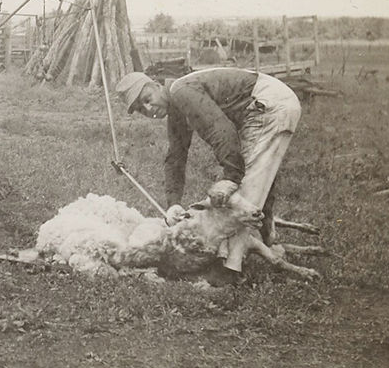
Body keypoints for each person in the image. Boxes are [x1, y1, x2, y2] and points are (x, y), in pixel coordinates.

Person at [115, 67, 302, 285]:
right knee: (259, 178)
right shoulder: (177, 102)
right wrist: (173, 203)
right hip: (272, 102)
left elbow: (221, 131)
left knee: (242, 192)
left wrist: (231, 177)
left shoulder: (181, 91)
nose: (149, 108)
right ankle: (267, 240)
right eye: (141, 108)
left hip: (269, 104)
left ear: (156, 85)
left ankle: (230, 272)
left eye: (147, 99)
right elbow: (176, 155)